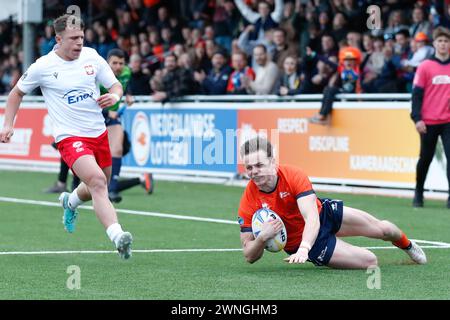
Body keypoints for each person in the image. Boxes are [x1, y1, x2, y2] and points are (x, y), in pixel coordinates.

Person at [0, 14, 133, 259]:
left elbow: (115, 85)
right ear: (58, 39)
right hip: (70, 137)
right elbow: (16, 94)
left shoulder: (92, 57)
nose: (79, 42)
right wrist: (8, 124)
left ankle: (70, 202)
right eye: (73, 38)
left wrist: (114, 97)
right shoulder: (43, 66)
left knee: (96, 183)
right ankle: (118, 236)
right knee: (98, 182)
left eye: (82, 37)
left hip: (98, 132)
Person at [238, 136, 427, 268]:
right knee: (370, 260)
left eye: (260, 165)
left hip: (323, 215)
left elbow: (311, 216)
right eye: (249, 167)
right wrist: (263, 237)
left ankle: (408, 245)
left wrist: (305, 248)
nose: (254, 171)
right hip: (310, 243)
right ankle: (333, 247)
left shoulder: (293, 175)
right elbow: (249, 256)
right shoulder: (248, 200)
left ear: (273, 162)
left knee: (385, 230)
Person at [410, 27, 450, 208]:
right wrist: (417, 118)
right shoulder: (425, 66)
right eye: (440, 41)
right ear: (434, 44)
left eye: (446, 41)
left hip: (448, 121)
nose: (443, 44)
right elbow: (417, 95)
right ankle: (418, 192)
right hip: (428, 121)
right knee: (425, 158)